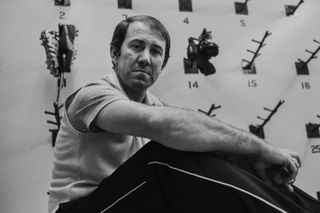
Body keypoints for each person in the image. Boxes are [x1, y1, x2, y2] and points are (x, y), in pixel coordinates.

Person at [48, 15, 319, 213]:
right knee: (165, 156)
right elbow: (161, 126)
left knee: (209, 151)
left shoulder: (156, 105)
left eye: (156, 52)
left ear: (162, 65)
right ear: (115, 53)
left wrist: (253, 161)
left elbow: (190, 135)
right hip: (81, 211)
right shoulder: (90, 95)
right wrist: (258, 147)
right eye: (136, 46)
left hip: (128, 204)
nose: (145, 58)